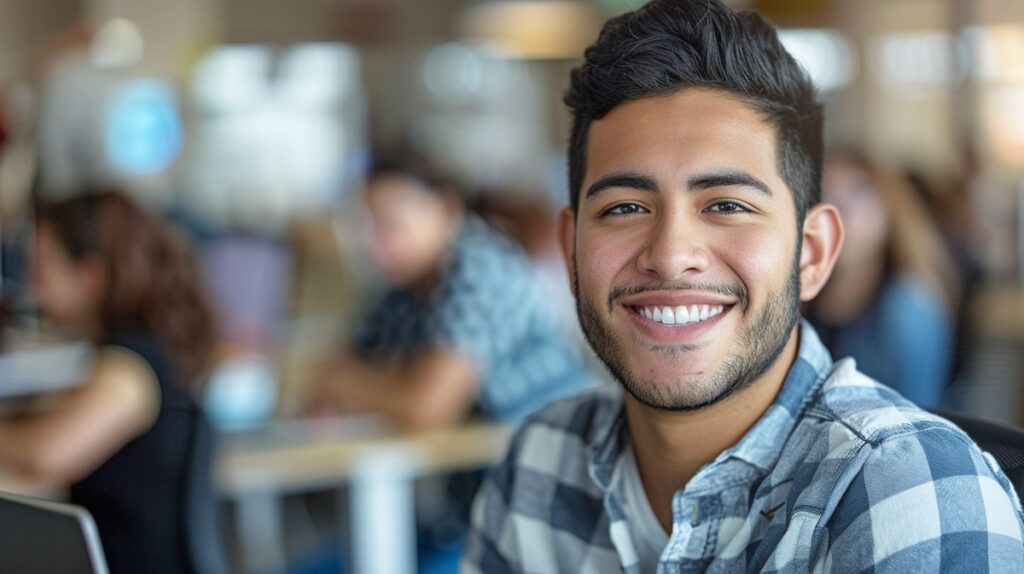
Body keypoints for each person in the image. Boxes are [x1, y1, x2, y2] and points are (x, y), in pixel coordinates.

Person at [461, 1, 1024, 572]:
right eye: (625, 207)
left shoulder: (905, 495)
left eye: (728, 205)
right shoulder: (540, 461)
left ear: (813, 252)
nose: (671, 256)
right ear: (570, 252)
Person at [0, 191, 217, 574]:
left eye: (44, 266)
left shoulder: (129, 370)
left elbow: (45, 454)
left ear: (90, 274)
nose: (31, 284)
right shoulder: (119, 358)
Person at [310, 151, 594, 428]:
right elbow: (332, 376)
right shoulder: (399, 287)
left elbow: (426, 408)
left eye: (392, 224)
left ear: (447, 210)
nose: (376, 242)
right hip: (490, 459)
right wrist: (354, 384)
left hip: (565, 450)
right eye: (368, 227)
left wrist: (349, 386)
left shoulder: (481, 271)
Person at [807, 151, 958, 409]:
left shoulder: (907, 305)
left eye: (856, 194)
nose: (836, 210)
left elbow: (914, 421)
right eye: (822, 195)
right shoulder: (805, 294)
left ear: (888, 210)